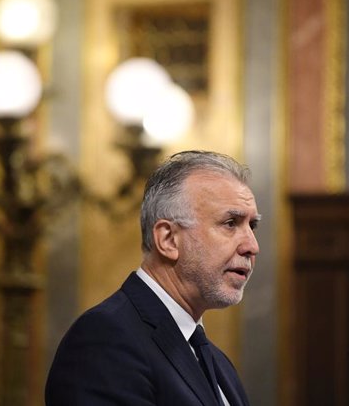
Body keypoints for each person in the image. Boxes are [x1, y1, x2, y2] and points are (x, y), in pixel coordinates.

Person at [45, 150, 261, 406]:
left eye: (252, 226)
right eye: (230, 223)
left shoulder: (219, 364)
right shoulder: (106, 340)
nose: (252, 245)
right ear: (168, 239)